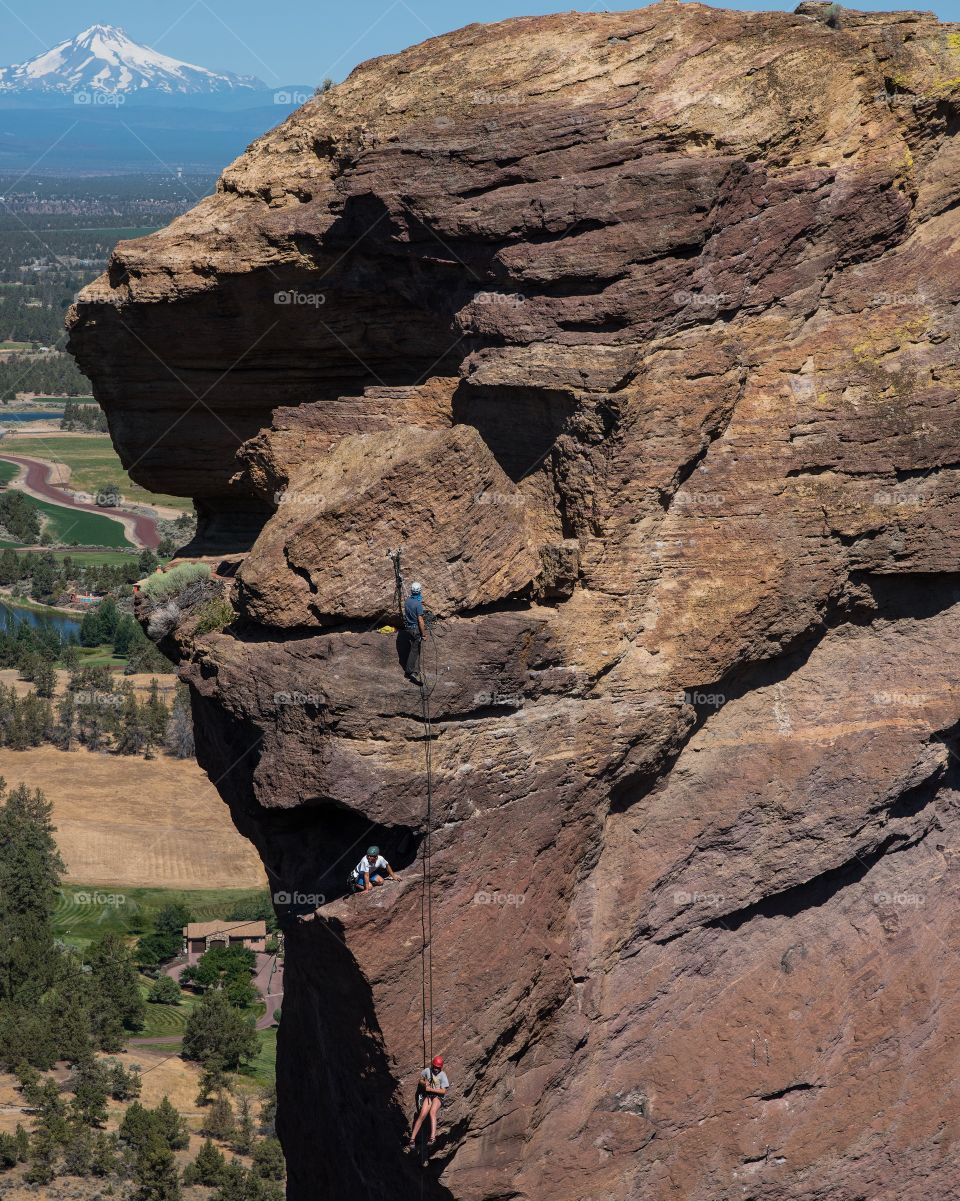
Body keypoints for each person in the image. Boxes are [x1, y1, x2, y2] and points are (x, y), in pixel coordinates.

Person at [409, 1055, 449, 1149]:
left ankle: (432, 1137)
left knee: (432, 1112)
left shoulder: (442, 1075)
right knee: (422, 1115)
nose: (436, 1069)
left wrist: (431, 1089)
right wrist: (424, 1083)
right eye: (435, 1067)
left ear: (441, 1067)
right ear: (432, 1065)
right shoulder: (427, 1071)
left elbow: (443, 1091)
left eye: (438, 1068)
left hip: (438, 1097)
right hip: (429, 1096)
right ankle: (412, 1139)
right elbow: (420, 1080)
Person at [403, 581, 426, 684]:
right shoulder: (418, 605)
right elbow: (420, 621)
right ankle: (410, 671)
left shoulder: (407, 601)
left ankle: (411, 669)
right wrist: (424, 634)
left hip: (408, 628)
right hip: (415, 629)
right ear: (419, 591)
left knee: (412, 647)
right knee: (415, 650)